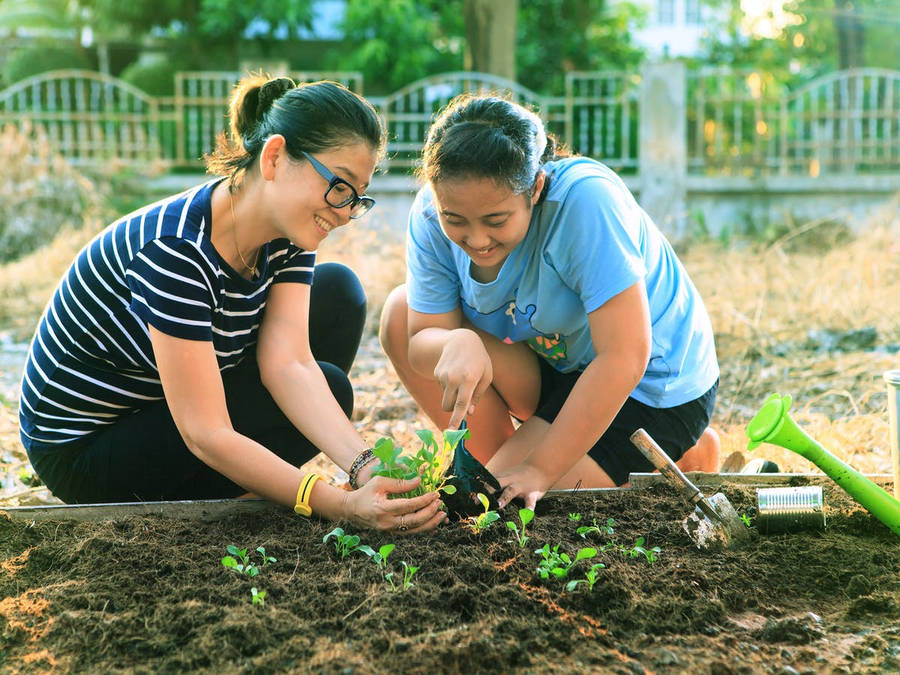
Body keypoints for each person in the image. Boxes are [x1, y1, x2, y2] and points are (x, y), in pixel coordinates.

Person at [18, 75, 444, 534]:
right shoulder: (176, 250)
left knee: (337, 296)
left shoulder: (289, 232)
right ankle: (244, 489)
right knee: (332, 388)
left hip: (166, 404)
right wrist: (337, 505)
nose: (343, 213)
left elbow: (290, 364)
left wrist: (366, 466)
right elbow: (206, 433)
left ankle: (248, 483)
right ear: (274, 157)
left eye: (356, 197)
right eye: (338, 187)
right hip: (87, 450)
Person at [380, 94, 721, 511]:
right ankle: (502, 460)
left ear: (536, 187)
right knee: (400, 312)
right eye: (455, 219)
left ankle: (682, 454)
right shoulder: (431, 215)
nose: (477, 239)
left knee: (507, 498)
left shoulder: (586, 202)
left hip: (649, 385)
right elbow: (418, 340)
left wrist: (539, 469)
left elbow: (625, 356)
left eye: (496, 220)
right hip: (559, 366)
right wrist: (454, 342)